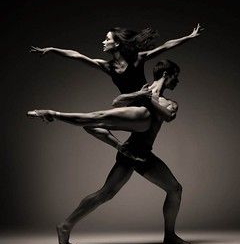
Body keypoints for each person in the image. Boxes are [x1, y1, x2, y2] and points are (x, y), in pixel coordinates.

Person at [28, 59, 189, 244]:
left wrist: (148, 99)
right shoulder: (142, 94)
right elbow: (117, 102)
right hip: (132, 151)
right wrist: (139, 96)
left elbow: (168, 116)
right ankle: (65, 225)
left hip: (143, 153)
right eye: (176, 77)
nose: (177, 81)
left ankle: (65, 225)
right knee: (109, 191)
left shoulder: (169, 103)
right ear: (166, 75)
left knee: (108, 193)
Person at [30, 24, 202, 159]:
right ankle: (121, 148)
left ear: (117, 43)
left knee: (97, 116)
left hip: (145, 113)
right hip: (131, 115)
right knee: (89, 125)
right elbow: (77, 55)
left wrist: (189, 36)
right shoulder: (107, 66)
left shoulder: (137, 59)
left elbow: (165, 46)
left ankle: (51, 113)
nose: (103, 42)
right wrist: (52, 49)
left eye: (107, 39)